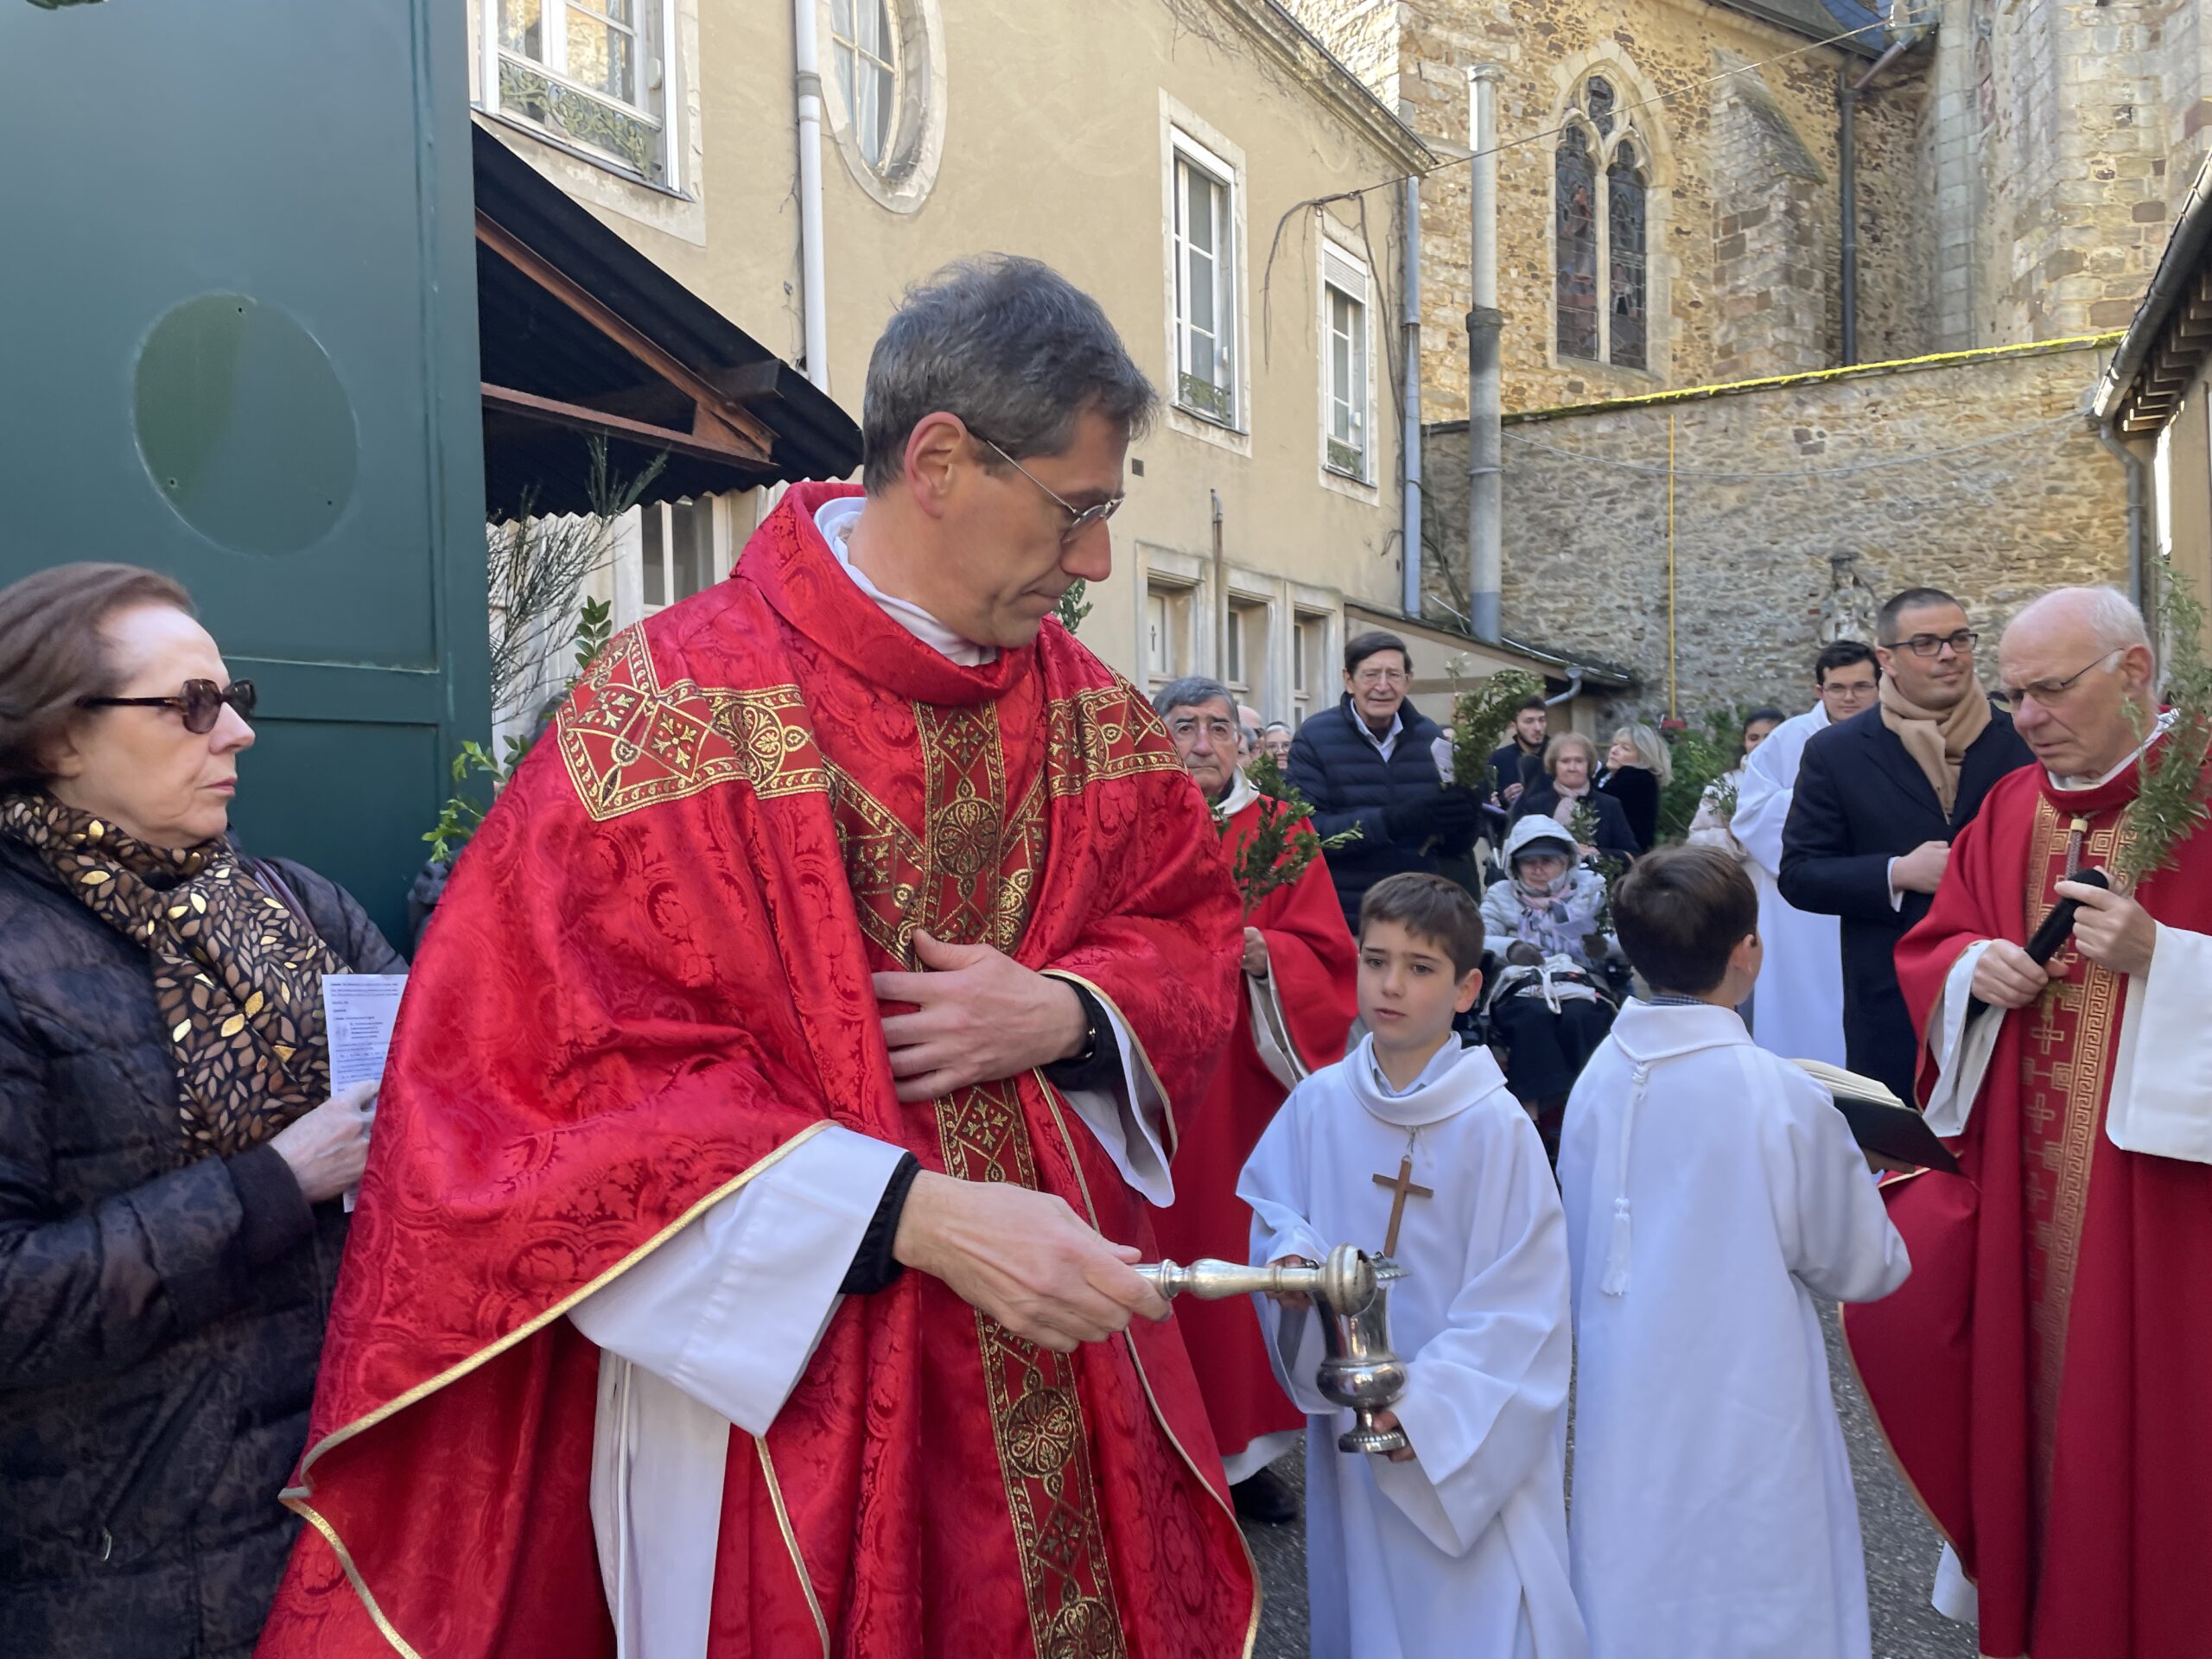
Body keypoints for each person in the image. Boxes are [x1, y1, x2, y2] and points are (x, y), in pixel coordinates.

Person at [256, 257, 1257, 1656]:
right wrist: (910, 1215)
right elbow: (536, 1092)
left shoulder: (1094, 717)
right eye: (1076, 509)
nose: (1093, 562)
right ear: (942, 463)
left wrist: (1071, 1014)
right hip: (776, 1382)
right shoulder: (673, 706)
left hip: (1056, 1354)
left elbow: (1192, 932)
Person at [0, 564, 402, 1659]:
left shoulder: (300, 907)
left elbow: (458, 1105)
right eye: (190, 705)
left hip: (340, 1519)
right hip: (123, 1575)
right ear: (57, 738)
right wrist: (274, 1182)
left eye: (233, 699)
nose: (236, 733)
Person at [1847, 585, 2212, 1659]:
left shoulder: (2197, 794)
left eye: (2050, 690)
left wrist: (2163, 960)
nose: (2028, 718)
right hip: (2029, 1191)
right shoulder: (2010, 807)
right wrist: (1972, 970)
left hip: (2168, 1213)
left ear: (2134, 672)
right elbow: (1935, 944)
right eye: (2013, 696)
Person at [1559, 846, 1909, 1659]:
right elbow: (1862, 1265)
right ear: (1748, 950)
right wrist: (1874, 1176)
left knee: (1637, 1553)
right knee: (1761, 1565)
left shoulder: (1599, 1075)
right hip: (1750, 1393)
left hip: (1627, 1380)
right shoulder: (1777, 1093)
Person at [1239, 874, 1582, 1659]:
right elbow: (1276, 1206)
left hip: (1456, 1435)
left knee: (1469, 1612)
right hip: (1352, 1421)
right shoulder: (1321, 1102)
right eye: (1376, 961)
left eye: (1420, 968)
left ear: (1467, 989)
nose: (1390, 985)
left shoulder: (1496, 1129)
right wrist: (1290, 1260)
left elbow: (1522, 1308)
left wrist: (1423, 1411)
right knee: (1366, 1598)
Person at [1145, 675, 1357, 1525]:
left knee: (1236, 1252)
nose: (1202, 743)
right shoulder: (1129, 818)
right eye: (1184, 726)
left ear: (1241, 742)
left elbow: (1328, 951)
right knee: (1151, 1252)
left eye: (1218, 727)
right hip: (1153, 1079)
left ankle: (1242, 1456)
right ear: (1158, 736)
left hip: (1242, 1087)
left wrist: (1269, 953)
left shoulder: (1281, 830)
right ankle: (1152, 1447)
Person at [1780, 588, 2031, 1102]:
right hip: (1893, 1005)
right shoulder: (1836, 752)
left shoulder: (2024, 741)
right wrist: (1896, 873)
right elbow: (1800, 874)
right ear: (1887, 659)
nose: (1948, 654)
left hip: (2015, 995)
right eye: (1926, 643)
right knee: (1906, 1150)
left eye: (1959, 639)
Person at [1729, 644, 1878, 1067]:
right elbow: (1751, 816)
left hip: (1875, 890)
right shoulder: (1786, 740)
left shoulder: (1899, 736)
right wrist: (1822, 800)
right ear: (1820, 690)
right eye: (1838, 688)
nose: (1849, 697)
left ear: (1880, 687)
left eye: (1861, 687)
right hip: (1802, 909)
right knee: (1801, 1014)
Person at [1287, 631, 1480, 930]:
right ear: (1349, 680)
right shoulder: (1314, 738)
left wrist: (1465, 820)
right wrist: (1390, 822)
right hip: (1345, 916)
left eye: (1393, 675)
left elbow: (1450, 847)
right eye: (1371, 675)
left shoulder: (1430, 737)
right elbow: (1306, 835)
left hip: (1416, 914)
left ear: (1408, 681)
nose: (1382, 686)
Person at [1482, 816, 1618, 1159]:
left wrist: (1605, 945)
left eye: (1548, 860)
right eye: (1528, 861)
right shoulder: (1500, 895)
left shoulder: (1592, 889)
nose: (1538, 869)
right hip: (1521, 982)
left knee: (1580, 1016)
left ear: (1567, 862)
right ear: (1514, 864)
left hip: (1579, 980)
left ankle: (1582, 1109)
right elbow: (1477, 937)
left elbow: (1627, 935)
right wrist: (1510, 948)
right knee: (1531, 1017)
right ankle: (1532, 1121)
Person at [1510, 729, 1639, 860]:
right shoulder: (1534, 805)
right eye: (1565, 761)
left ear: (1589, 765)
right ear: (1554, 766)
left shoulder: (1610, 805)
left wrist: (1598, 854)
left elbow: (1633, 855)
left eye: (1579, 761)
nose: (1572, 768)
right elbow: (1519, 852)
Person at [1685, 706, 1784, 858]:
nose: (1761, 744)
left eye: (1769, 737)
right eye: (1753, 738)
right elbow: (1696, 840)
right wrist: (1731, 836)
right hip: (1744, 870)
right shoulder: (1724, 786)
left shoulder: (1804, 777)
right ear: (1744, 742)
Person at [1598, 723, 1671, 853]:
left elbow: (1596, 803)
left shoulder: (1637, 778)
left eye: (1625, 748)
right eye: (1615, 744)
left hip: (1624, 856)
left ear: (1643, 757)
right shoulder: (1605, 775)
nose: (1614, 750)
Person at [1484, 696, 1549, 831]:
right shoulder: (1499, 759)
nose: (1537, 728)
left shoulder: (1559, 755)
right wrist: (1504, 800)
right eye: (1529, 721)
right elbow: (1490, 810)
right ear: (1514, 726)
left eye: (1542, 720)